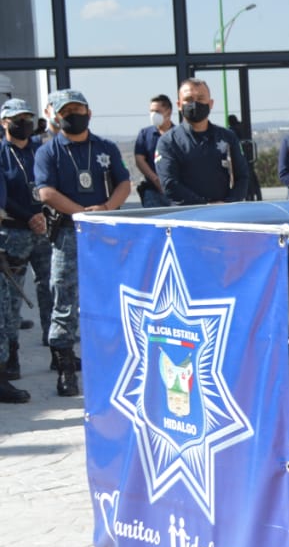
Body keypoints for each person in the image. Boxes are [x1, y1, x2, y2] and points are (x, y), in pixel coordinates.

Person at [34, 89, 131, 397]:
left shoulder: (105, 147)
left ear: (89, 112)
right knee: (63, 299)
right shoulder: (49, 151)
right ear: (56, 116)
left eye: (78, 109)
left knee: (111, 295)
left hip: (105, 232)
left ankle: (112, 362)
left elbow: (124, 184)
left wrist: (103, 210)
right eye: (66, 111)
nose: (72, 115)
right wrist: (80, 214)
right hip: (67, 233)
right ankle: (65, 369)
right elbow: (45, 192)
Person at [0, 99, 50, 403]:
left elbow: (50, 183)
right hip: (14, 231)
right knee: (11, 298)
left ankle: (58, 348)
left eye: (27, 118)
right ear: (4, 122)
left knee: (50, 287)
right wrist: (27, 217)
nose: (23, 123)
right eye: (17, 118)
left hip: (43, 228)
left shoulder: (39, 150)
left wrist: (43, 214)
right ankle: (12, 356)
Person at [154, 79, 249, 206]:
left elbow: (242, 176)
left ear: (210, 103)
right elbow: (169, 183)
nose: (195, 103)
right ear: (179, 104)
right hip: (186, 216)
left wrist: (228, 203)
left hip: (224, 213)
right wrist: (204, 206)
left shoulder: (227, 137)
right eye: (189, 99)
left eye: (200, 98)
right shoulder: (168, 142)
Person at [134, 94, 174, 208]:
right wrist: (156, 180)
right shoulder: (145, 134)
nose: (153, 115)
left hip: (174, 191)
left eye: (157, 111)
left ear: (168, 112)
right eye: (151, 111)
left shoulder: (178, 134)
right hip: (152, 191)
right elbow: (139, 160)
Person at [227, 115, 262, 201]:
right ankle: (257, 196)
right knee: (251, 177)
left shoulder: (231, 131)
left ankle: (248, 196)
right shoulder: (242, 127)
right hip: (247, 155)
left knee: (242, 177)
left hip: (240, 155)